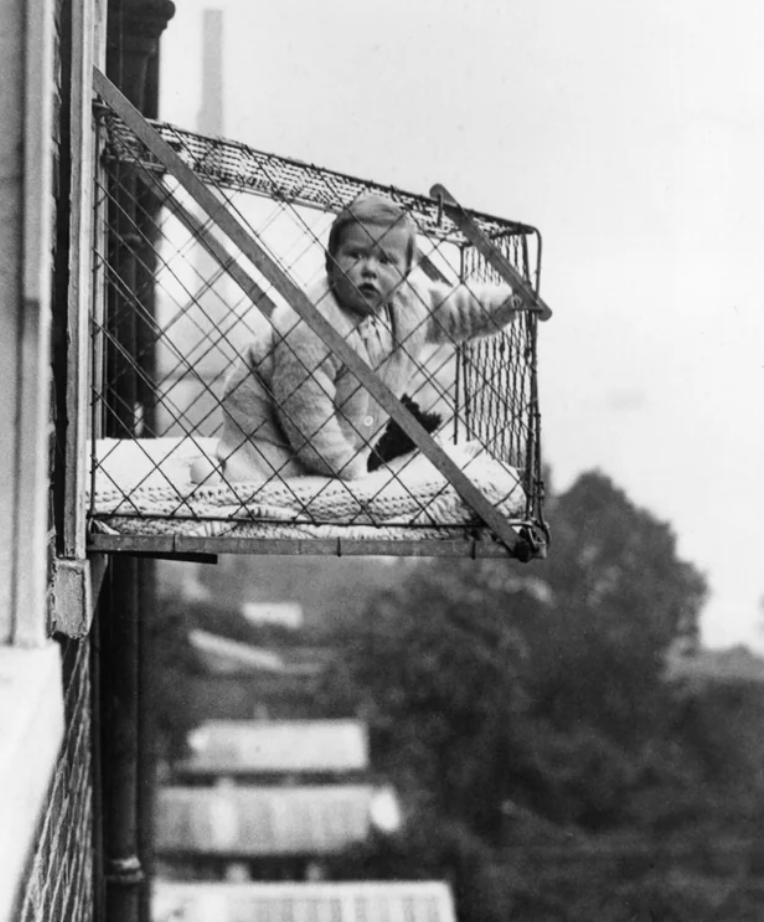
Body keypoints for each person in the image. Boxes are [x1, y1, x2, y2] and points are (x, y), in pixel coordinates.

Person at [192, 193, 521, 484]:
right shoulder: (309, 327)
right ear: (330, 264)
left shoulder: (410, 303)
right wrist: (347, 472)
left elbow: (458, 311)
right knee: (264, 475)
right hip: (268, 432)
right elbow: (307, 416)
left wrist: (507, 304)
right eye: (356, 255)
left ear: (406, 274)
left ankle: (357, 458)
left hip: (351, 423)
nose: (370, 269)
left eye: (386, 260)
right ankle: (226, 469)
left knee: (396, 439)